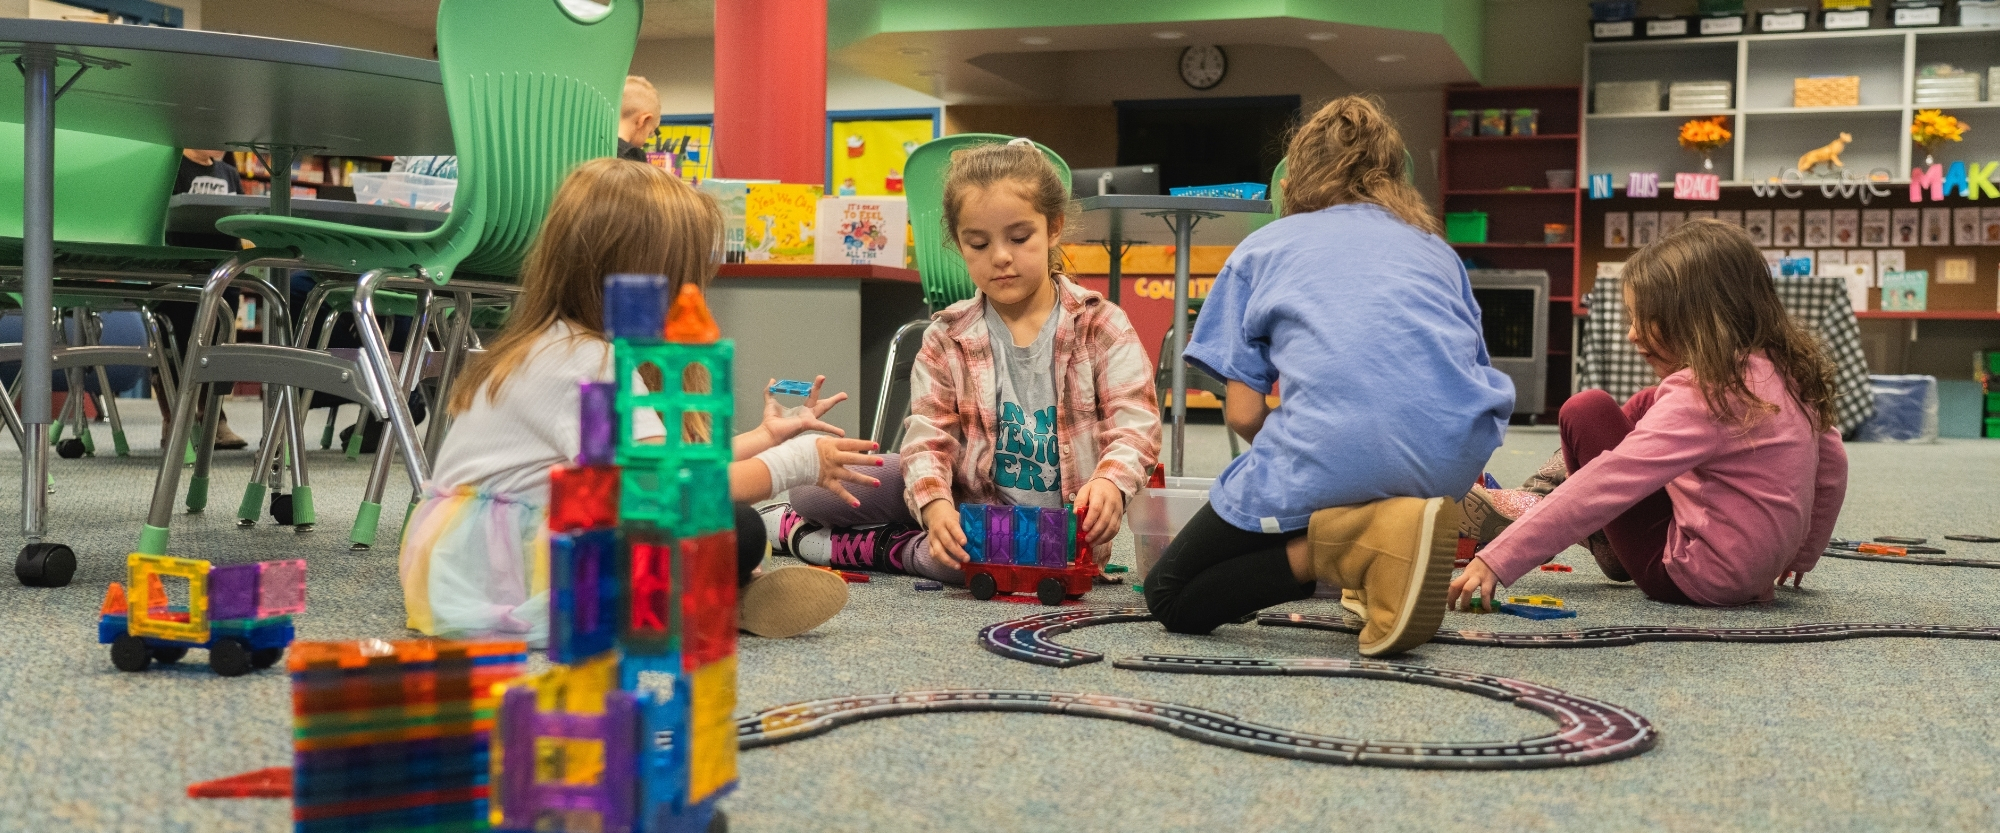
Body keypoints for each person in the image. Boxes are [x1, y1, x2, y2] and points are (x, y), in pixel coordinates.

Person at [399, 158, 873, 647]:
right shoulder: (584, 363)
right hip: (506, 573)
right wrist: (794, 462)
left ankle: (706, 593)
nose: (694, 295)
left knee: (729, 528)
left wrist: (760, 439)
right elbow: (675, 489)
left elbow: (656, 466)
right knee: (735, 524)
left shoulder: (561, 344)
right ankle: (704, 598)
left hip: (465, 558)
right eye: (684, 279)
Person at [1141, 96, 1516, 658]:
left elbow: (1243, 414)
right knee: (1346, 477)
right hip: (1453, 463)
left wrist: (1320, 458)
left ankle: (1344, 548)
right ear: (1393, 176)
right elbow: (1458, 373)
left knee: (1171, 595)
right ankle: (1384, 529)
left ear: (1294, 177)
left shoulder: (1262, 249)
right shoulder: (1438, 252)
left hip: (1339, 453)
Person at [761, 139, 1160, 585]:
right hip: (966, 498)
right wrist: (934, 505)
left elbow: (1136, 425)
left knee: (957, 566)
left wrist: (1111, 483)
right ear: (959, 245)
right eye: (978, 243)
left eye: (1019, 237)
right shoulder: (945, 337)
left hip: (1056, 539)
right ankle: (808, 521)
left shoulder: (1101, 325)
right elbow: (928, 439)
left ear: (1054, 229)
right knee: (813, 489)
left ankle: (834, 544)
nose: (1001, 256)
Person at [1450, 219, 1847, 609]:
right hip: (1754, 576)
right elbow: (1832, 465)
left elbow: (1608, 481)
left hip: (1690, 577)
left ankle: (1543, 507)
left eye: (1645, 319)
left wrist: (1499, 558)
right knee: (1646, 402)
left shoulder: (1704, 392)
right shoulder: (1787, 373)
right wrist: (1802, 553)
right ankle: (1544, 496)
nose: (1632, 334)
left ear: (1696, 319)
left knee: (1584, 409)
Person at [160, 149, 249, 450]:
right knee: (176, 345)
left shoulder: (229, 173)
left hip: (222, 268)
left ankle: (213, 419)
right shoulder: (173, 166)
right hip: (181, 268)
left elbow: (241, 219)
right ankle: (175, 419)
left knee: (218, 347)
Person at [617, 75, 660, 163]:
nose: (644, 142)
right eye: (649, 133)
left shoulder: (591, 146)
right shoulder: (633, 156)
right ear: (643, 121)